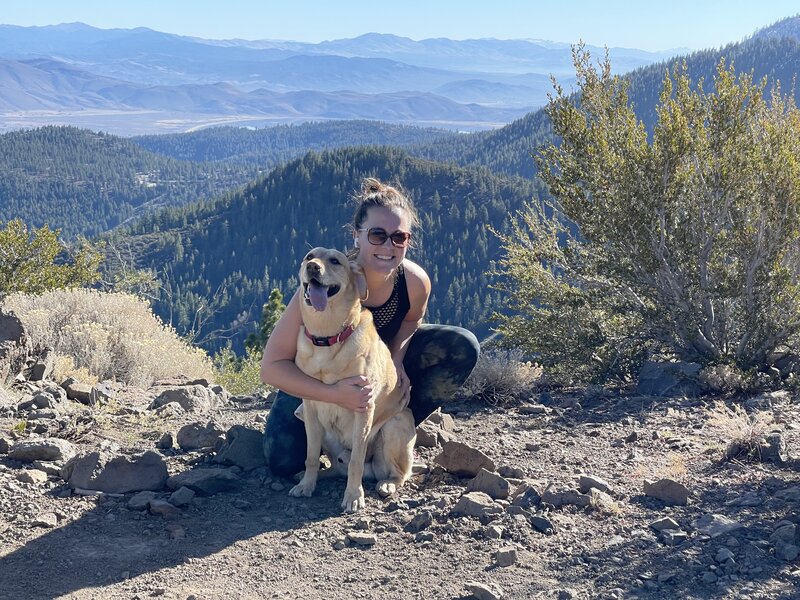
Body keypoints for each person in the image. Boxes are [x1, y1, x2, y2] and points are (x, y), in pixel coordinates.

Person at [260, 178, 480, 477]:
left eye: (399, 237)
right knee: (283, 462)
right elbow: (272, 367)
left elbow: (411, 320)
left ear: (408, 241)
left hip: (376, 374)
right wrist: (336, 394)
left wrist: (396, 359)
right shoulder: (325, 283)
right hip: (318, 380)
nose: (388, 245)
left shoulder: (414, 283)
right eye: (377, 235)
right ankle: (342, 441)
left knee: (461, 346)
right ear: (357, 236)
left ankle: (389, 433)